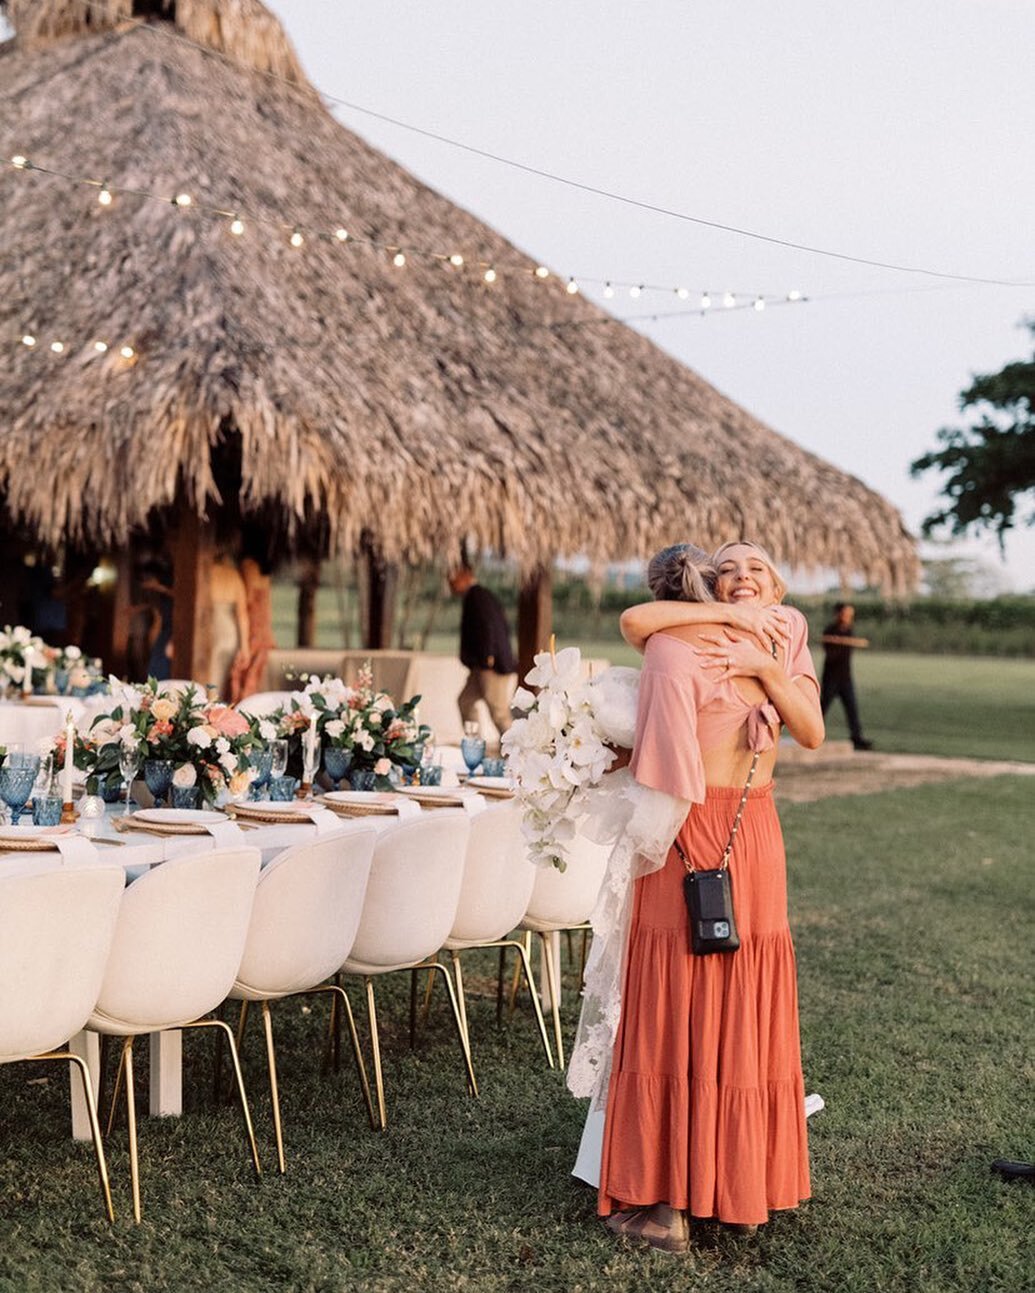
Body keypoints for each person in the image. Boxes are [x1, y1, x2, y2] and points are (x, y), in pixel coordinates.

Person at [590, 541, 823, 1252]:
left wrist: (762, 667)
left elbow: (810, 730)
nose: (743, 573)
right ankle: (680, 1192)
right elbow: (637, 623)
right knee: (681, 999)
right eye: (727, 568)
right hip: (693, 828)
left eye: (755, 565)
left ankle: (700, 1189)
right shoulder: (681, 638)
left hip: (741, 832)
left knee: (722, 999)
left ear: (777, 583)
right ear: (708, 587)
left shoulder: (788, 634)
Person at [447, 563, 517, 739]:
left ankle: (516, 751)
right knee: (466, 702)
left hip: (490, 665)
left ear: (465, 575)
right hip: (480, 665)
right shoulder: (474, 597)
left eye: (453, 577)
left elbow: (488, 627)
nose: (450, 582)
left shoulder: (478, 596)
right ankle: (475, 744)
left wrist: (488, 658)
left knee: (499, 711)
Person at [820, 601, 873, 750]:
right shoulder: (830, 631)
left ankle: (857, 738)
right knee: (821, 708)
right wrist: (836, 643)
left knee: (852, 709)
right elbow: (830, 655)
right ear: (839, 614)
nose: (849, 617)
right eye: (846, 614)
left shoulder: (849, 631)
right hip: (831, 678)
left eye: (851, 614)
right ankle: (811, 735)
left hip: (845, 678)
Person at [230, 555, 275, 704]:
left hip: (253, 623)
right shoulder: (264, 572)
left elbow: (247, 597)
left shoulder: (248, 565)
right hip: (263, 624)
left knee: (246, 670)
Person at [208, 556, 250, 701]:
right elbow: (242, 614)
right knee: (218, 680)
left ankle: (204, 713)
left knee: (204, 678)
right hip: (229, 632)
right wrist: (245, 647)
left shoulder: (207, 573)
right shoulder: (234, 576)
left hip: (209, 628)